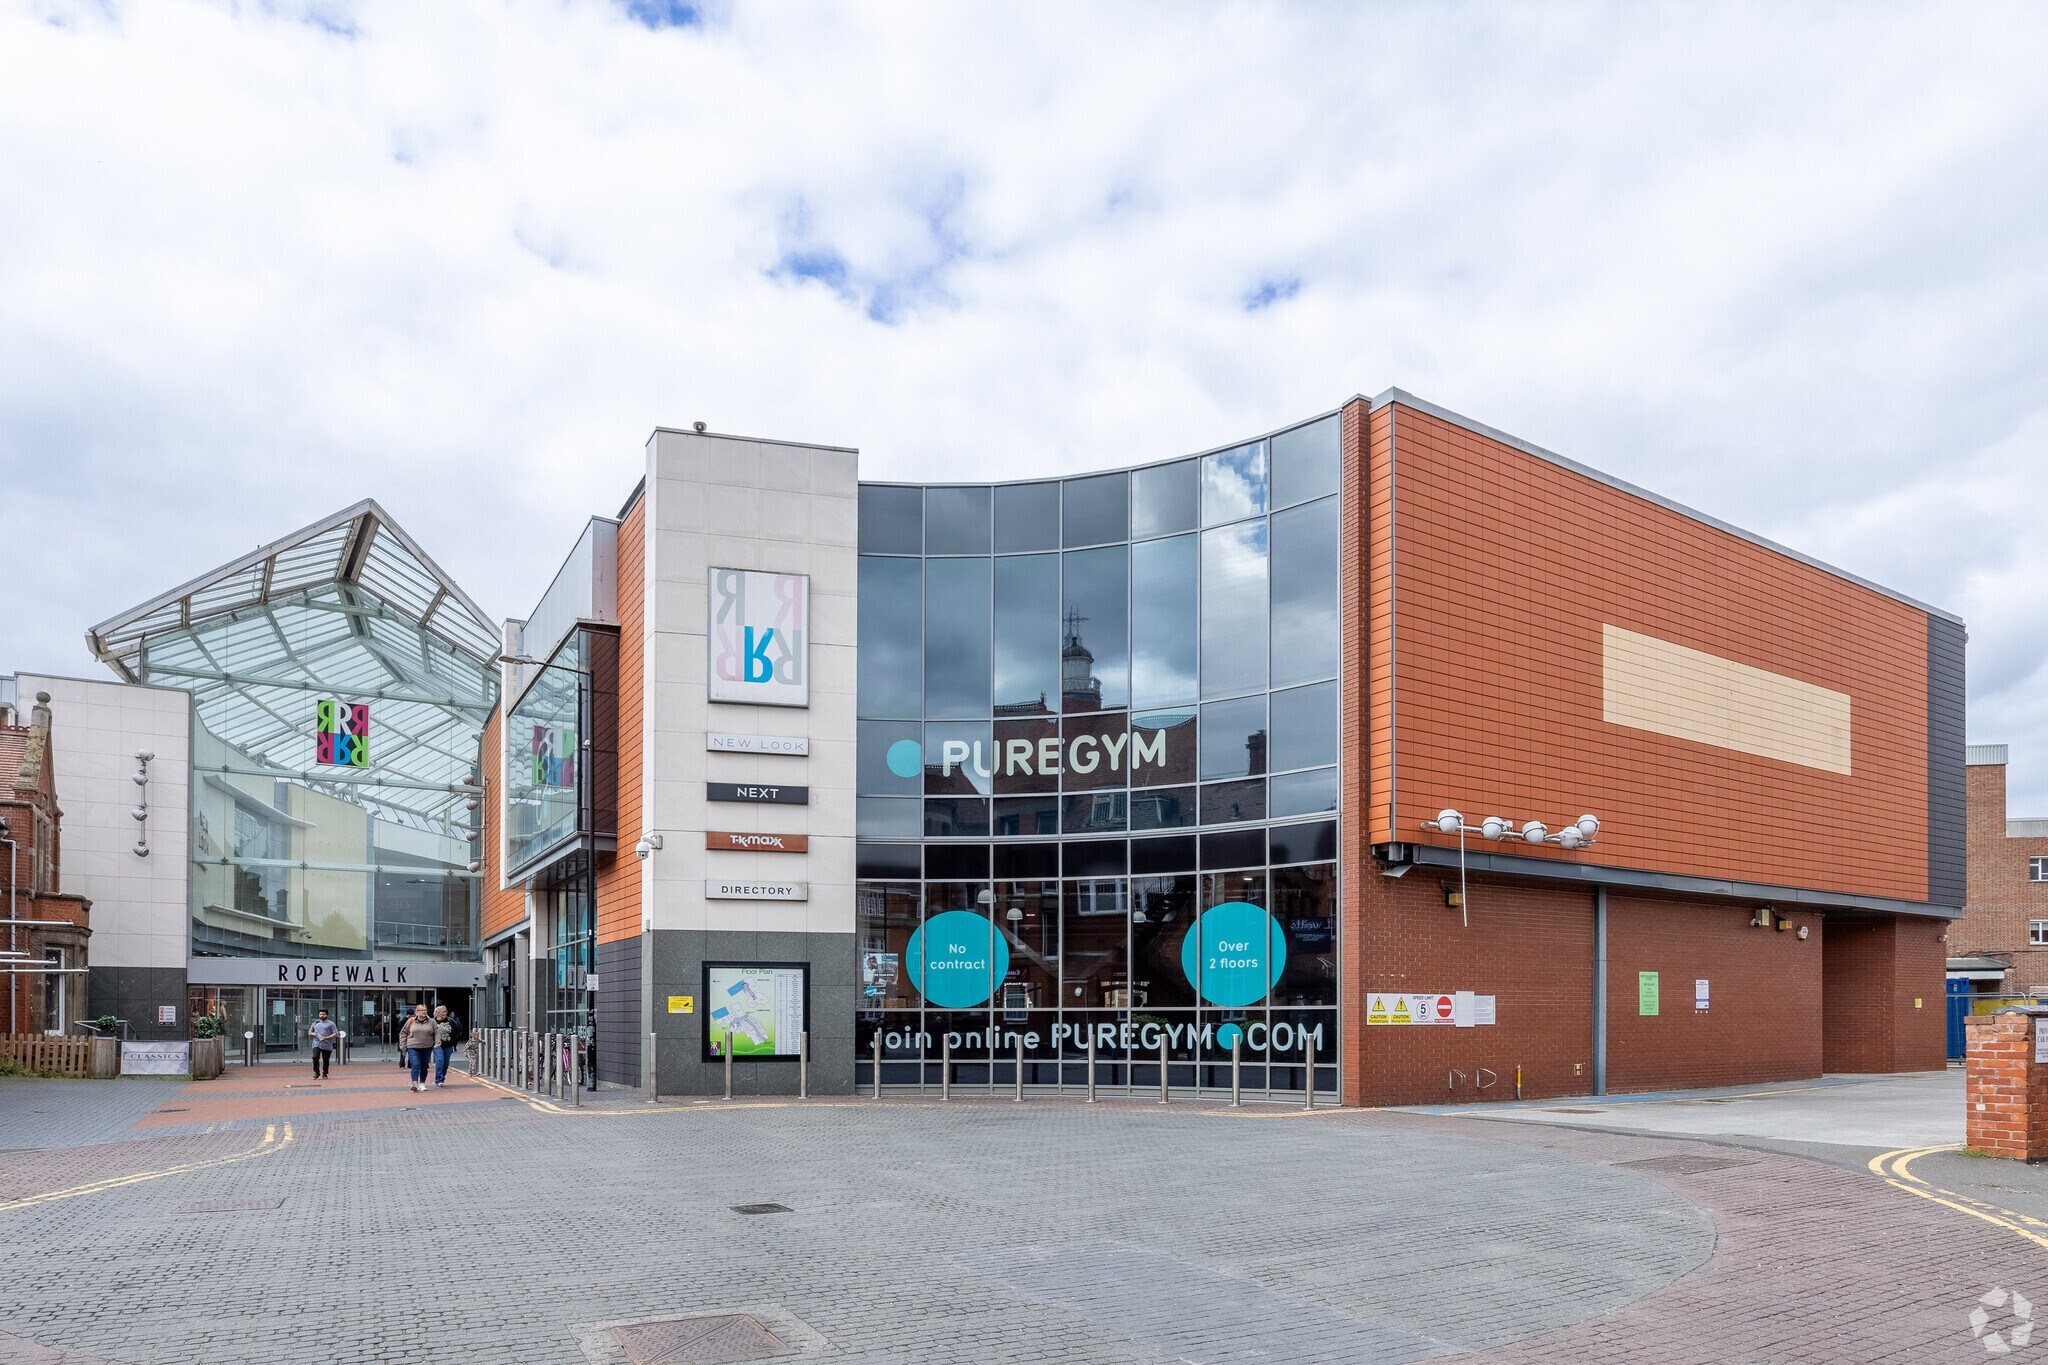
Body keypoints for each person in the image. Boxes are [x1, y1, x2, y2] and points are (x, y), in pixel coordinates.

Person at [397, 1003, 436, 1092]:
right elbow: (403, 1032)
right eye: (421, 1010)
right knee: (415, 1065)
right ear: (417, 1012)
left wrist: (437, 1042)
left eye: (425, 1010)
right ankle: (414, 1083)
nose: (423, 1012)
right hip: (413, 1046)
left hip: (427, 1046)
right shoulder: (411, 1021)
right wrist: (403, 1045)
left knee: (424, 1066)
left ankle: (422, 1083)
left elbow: (437, 1032)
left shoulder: (432, 1021)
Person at [430, 1004, 459, 1087]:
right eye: (443, 1012)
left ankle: (442, 1078)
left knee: (446, 1063)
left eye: (446, 1011)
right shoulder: (432, 1022)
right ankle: (438, 1079)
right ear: (437, 1013)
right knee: (439, 1060)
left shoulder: (450, 1021)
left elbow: (457, 1031)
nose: (445, 1013)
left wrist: (452, 1039)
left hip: (448, 1044)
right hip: (437, 1045)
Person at [306, 1009, 337, 1079]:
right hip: (316, 1043)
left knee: (326, 1060)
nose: (322, 1016)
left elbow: (335, 1034)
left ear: (327, 1015)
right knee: (315, 1057)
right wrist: (313, 1034)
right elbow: (309, 1032)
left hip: (327, 1045)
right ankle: (317, 1072)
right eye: (320, 1014)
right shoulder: (315, 1023)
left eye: (323, 1014)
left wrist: (327, 1038)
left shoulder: (331, 1024)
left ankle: (325, 1073)